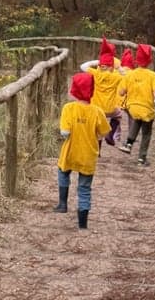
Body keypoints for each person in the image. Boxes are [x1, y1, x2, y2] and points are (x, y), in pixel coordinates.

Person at [54, 71, 110, 229]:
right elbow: (104, 132)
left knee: (62, 172)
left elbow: (65, 132)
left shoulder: (68, 108)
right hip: (88, 155)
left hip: (70, 152)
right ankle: (83, 223)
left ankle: (62, 204)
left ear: (74, 90)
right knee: (84, 187)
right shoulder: (97, 111)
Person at [118, 43, 155, 167]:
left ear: (136, 60)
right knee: (146, 133)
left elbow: (121, 92)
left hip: (132, 107)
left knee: (137, 120)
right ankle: (141, 158)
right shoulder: (153, 76)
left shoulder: (130, 75)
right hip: (147, 108)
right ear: (149, 61)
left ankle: (128, 144)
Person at [80, 51, 124, 146]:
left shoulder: (96, 74)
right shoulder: (116, 77)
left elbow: (83, 66)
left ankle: (97, 150)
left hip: (96, 108)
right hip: (110, 108)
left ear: (100, 66)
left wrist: (97, 62)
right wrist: (119, 67)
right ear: (112, 67)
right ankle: (110, 134)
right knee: (118, 116)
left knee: (97, 128)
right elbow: (125, 75)